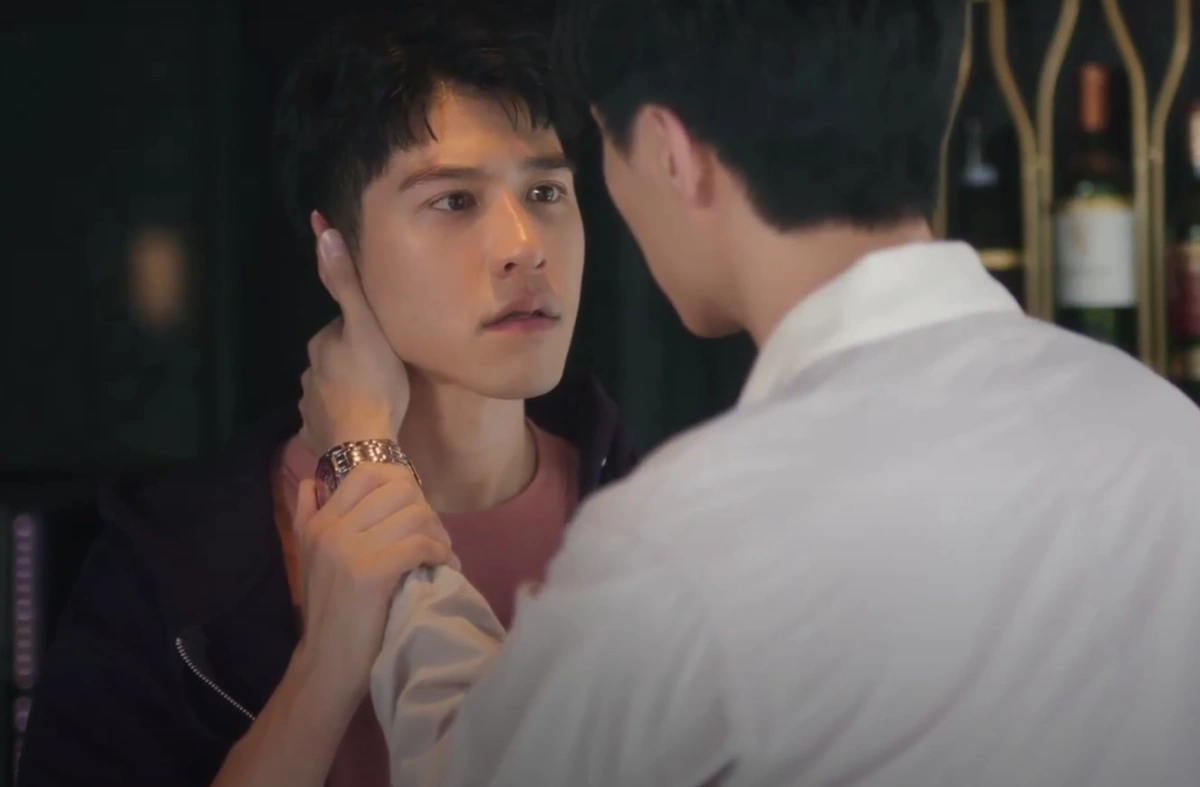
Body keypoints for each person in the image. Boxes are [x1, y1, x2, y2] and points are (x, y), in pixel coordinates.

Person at [298, 0, 1200, 785]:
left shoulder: (684, 542)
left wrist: (366, 457)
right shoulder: (1167, 433)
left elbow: (472, 768)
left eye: (568, 176)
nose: (526, 243)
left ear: (670, 152)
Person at [15, 7, 637, 787]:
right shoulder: (176, 563)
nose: (525, 245)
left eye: (546, 190)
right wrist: (322, 671)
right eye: (454, 201)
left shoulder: (651, 511)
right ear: (333, 246)